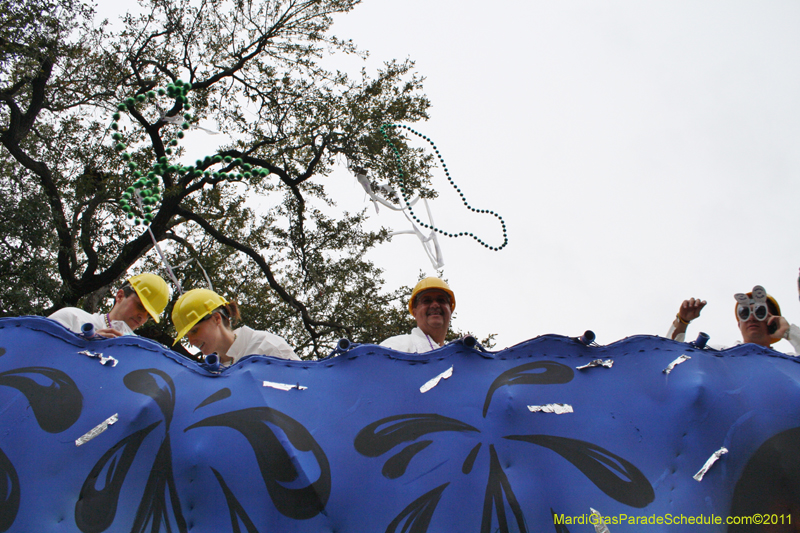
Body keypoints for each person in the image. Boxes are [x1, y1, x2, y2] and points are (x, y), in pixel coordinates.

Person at [172, 288, 299, 365]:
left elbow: (305, 389)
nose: (191, 341)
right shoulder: (213, 371)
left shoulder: (266, 347)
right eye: (186, 336)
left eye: (194, 331)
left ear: (216, 318)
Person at [667, 285, 800, 353]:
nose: (752, 317)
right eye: (745, 312)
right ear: (739, 325)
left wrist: (790, 333)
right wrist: (682, 322)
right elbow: (669, 358)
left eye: (760, 312)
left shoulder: (788, 361)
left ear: (774, 322)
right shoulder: (719, 354)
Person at [49, 273, 169, 338]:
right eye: (140, 306)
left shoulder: (136, 353)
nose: (142, 317)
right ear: (120, 296)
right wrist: (83, 344)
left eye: (148, 315)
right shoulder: (73, 318)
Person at [380, 277, 455, 353]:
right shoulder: (395, 346)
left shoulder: (456, 356)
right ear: (414, 312)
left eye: (441, 300)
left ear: (450, 310)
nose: (435, 305)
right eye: (427, 301)